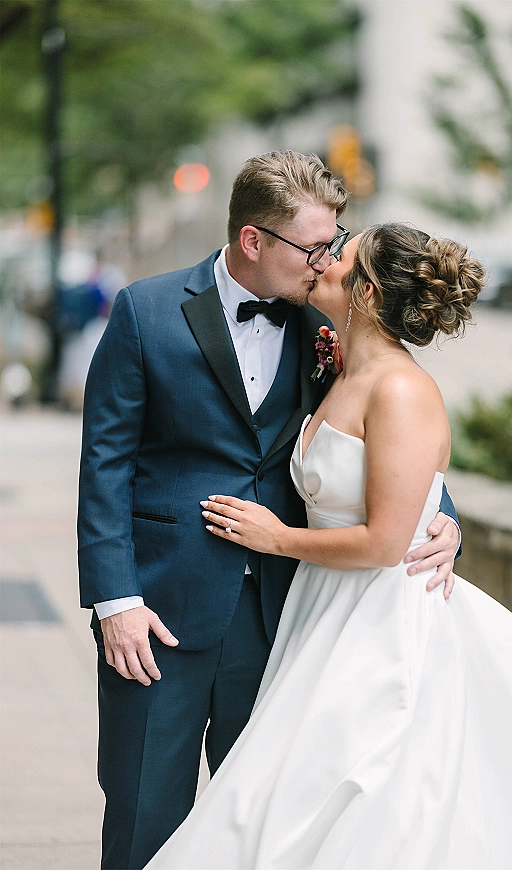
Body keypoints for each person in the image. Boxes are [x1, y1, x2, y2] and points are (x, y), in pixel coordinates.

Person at [145, 224, 512, 870]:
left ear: (367, 293)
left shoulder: (401, 390)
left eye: (339, 255)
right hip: (322, 612)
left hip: (381, 623)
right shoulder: (342, 370)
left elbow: (385, 540)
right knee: (270, 795)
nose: (322, 260)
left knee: (350, 791)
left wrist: (278, 537)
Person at [77, 153, 461, 870]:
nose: (326, 262)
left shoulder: (330, 330)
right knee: (142, 814)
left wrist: (446, 521)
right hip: (160, 613)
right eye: (314, 247)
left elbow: (392, 439)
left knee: (263, 827)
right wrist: (115, 600)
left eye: (334, 242)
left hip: (286, 623)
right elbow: (104, 464)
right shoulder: (145, 311)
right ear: (254, 241)